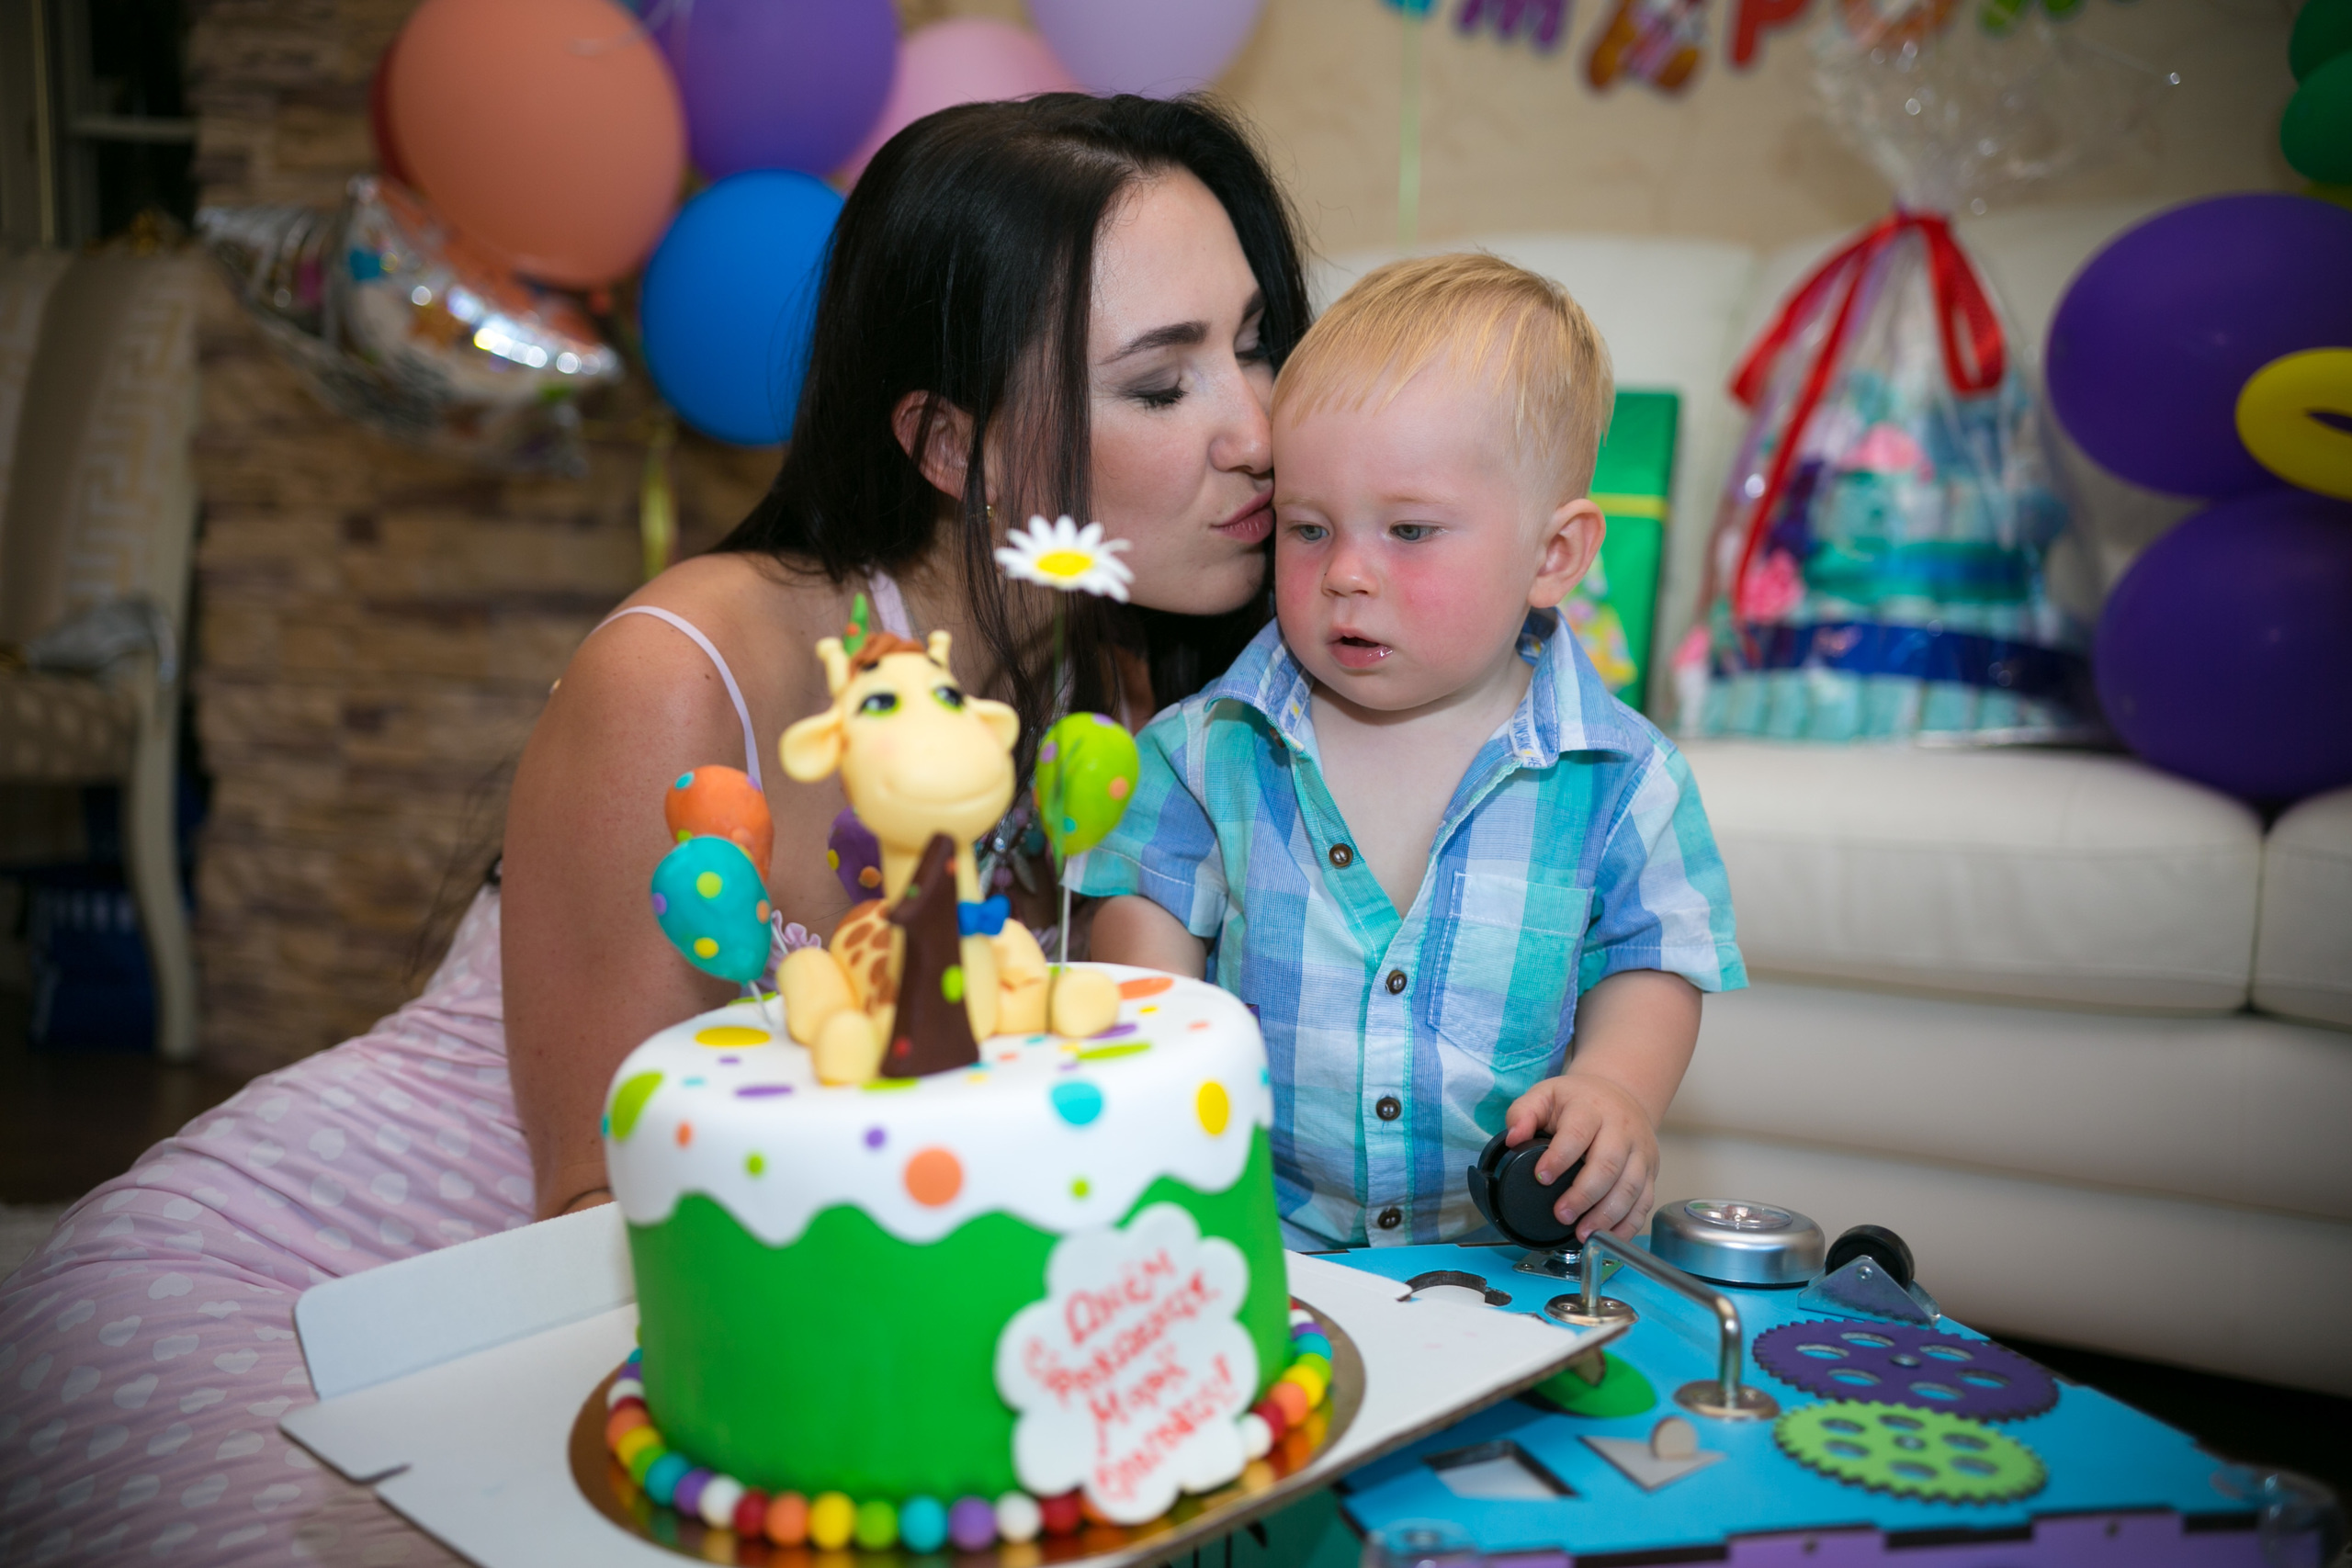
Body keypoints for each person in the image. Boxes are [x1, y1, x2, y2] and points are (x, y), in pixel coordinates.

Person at [0, 94, 1306, 1567]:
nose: (1258, 431)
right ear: (951, 445)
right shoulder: (689, 668)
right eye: (1161, 383)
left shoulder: (1124, 692)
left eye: (1256, 344)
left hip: (648, 1358)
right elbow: (613, 1222)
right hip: (284, 1300)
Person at [1082, 254, 1746, 1252]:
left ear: (1552, 555)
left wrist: (1614, 1087)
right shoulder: (1205, 749)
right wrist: (1144, 1064)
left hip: (1509, 1256)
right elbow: (1143, 938)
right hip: (1265, 1242)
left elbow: (1652, 958)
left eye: (1409, 530)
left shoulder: (1620, 778)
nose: (1346, 573)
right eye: (1308, 529)